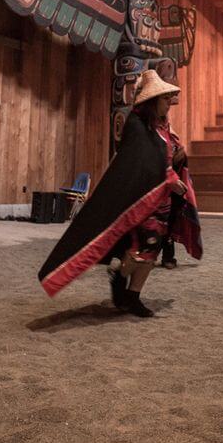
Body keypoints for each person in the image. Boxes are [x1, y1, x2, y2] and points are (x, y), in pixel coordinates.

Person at [38, 70, 202, 317]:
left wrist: (179, 157)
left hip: (163, 200)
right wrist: (169, 177)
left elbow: (167, 154)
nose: (169, 102)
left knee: (153, 249)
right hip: (140, 199)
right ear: (153, 100)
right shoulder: (136, 125)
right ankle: (120, 276)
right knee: (142, 246)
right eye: (165, 98)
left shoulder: (164, 126)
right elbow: (141, 161)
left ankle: (133, 296)